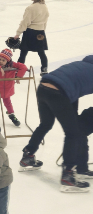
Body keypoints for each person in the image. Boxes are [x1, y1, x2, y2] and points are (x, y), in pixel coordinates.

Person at [19, 55, 93, 192]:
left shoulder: (79, 65)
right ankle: (68, 176)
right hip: (58, 93)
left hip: (43, 88)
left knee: (46, 123)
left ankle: (27, 156)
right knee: (73, 134)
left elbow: (72, 90)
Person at [12, 0, 50, 75]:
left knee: (24, 52)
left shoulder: (31, 8)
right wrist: (42, 29)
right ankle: (44, 69)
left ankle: (19, 69)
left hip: (30, 32)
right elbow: (45, 20)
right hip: (40, 32)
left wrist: (18, 33)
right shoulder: (45, 7)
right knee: (41, 52)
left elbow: (25, 22)